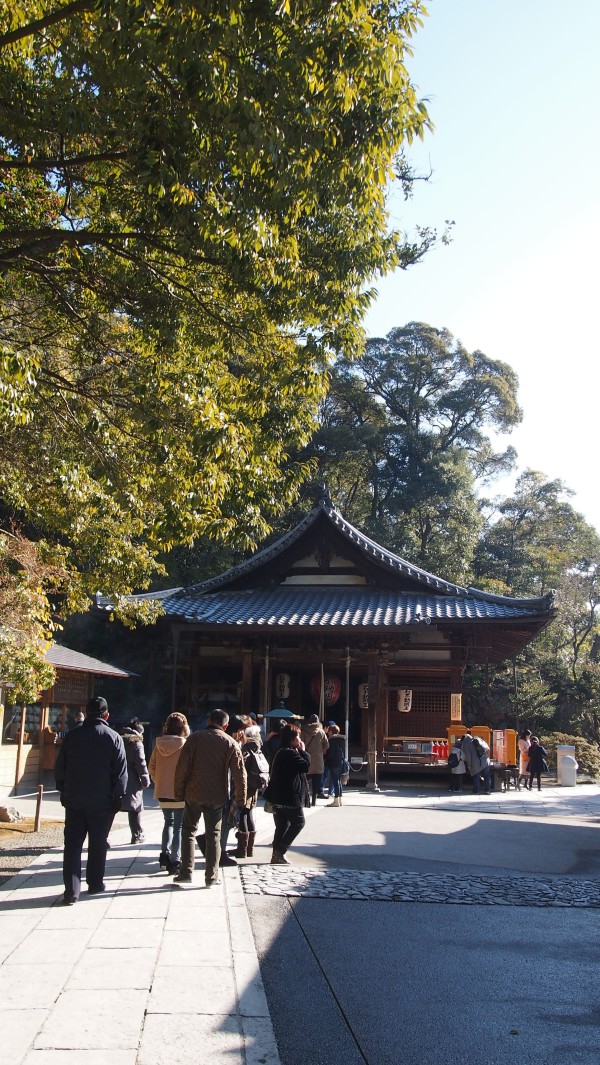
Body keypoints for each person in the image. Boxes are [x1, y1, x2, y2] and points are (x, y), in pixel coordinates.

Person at [54, 696, 127, 904]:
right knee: (98, 843)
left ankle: (71, 891)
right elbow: (120, 772)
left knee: (73, 845)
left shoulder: (72, 736)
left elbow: (61, 767)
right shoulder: (113, 737)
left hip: (75, 799)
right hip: (102, 801)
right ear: (106, 715)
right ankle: (95, 883)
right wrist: (118, 796)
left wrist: (63, 789)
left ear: (86, 713)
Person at [174, 708, 246, 886]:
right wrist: (240, 798)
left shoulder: (194, 739)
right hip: (217, 795)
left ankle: (185, 872)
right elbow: (240, 774)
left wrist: (178, 792)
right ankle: (211, 876)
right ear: (226, 725)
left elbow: (182, 767)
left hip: (193, 793)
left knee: (189, 831)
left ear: (208, 721)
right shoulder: (230, 743)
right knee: (213, 834)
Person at [148, 711, 190, 874]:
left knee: (168, 823)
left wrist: (159, 781)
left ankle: (164, 856)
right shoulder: (186, 745)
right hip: (180, 791)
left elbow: (151, 767)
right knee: (179, 826)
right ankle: (175, 860)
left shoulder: (158, 744)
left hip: (163, 791)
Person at [263, 724, 310, 864]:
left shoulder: (280, 750)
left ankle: (276, 855)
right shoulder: (290, 753)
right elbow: (305, 766)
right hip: (288, 796)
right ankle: (280, 851)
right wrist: (303, 751)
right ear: (291, 738)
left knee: (282, 826)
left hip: (278, 795)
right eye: (298, 737)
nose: (300, 739)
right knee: (298, 822)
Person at [236, 723, 268, 857]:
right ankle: (249, 849)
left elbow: (241, 768)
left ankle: (242, 850)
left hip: (246, 785)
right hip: (254, 785)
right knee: (249, 814)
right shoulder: (257, 748)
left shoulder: (245, 749)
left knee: (243, 814)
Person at [120, 717, 150, 843]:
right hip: (132, 778)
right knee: (135, 807)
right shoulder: (137, 743)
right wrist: (145, 778)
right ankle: (137, 835)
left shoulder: (119, 739)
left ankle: (103, 837)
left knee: (111, 808)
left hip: (117, 776)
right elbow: (141, 763)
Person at [302, 714, 329, 805]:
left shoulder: (304, 731)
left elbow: (301, 744)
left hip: (307, 759)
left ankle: (306, 800)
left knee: (306, 782)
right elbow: (327, 745)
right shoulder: (321, 732)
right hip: (318, 761)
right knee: (316, 782)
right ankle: (314, 800)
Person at [323, 723, 346, 806]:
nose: (328, 733)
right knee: (339, 781)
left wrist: (325, 758)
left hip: (334, 762)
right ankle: (339, 799)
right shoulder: (341, 740)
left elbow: (331, 753)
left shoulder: (332, 741)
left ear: (331, 732)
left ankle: (336, 800)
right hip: (340, 761)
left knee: (335, 781)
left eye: (329, 731)